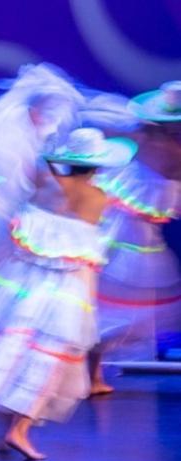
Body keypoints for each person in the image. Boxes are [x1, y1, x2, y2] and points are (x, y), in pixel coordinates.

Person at [0, 128, 137, 460]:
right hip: (67, 289)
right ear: (97, 165)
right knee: (46, 359)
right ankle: (18, 429)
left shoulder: (48, 184)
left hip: (24, 282)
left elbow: (36, 164)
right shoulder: (98, 198)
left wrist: (53, 153)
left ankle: (9, 426)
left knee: (15, 346)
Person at [85, 81, 181, 393]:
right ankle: (92, 371)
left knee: (136, 311)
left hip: (145, 236)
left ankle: (94, 370)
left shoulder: (169, 145)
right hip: (124, 234)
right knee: (111, 304)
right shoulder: (152, 141)